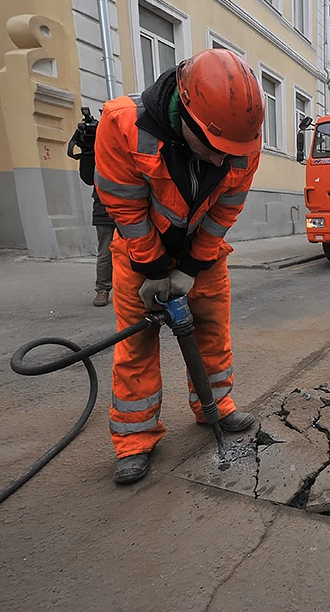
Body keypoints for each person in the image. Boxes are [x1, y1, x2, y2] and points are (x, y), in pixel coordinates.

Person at [94, 49, 265, 484]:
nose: (220, 161)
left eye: (230, 152)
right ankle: (135, 439)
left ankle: (216, 410)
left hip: (201, 254)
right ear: (185, 114)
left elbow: (225, 211)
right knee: (137, 346)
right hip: (139, 252)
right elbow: (125, 209)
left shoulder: (241, 139)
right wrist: (153, 270)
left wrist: (191, 266)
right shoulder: (122, 124)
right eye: (212, 148)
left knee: (211, 330)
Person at [91, 188, 115, 306]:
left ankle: (135, 290)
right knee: (105, 254)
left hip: (130, 208)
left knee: (135, 251)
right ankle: (103, 290)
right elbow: (87, 176)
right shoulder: (98, 168)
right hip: (104, 211)